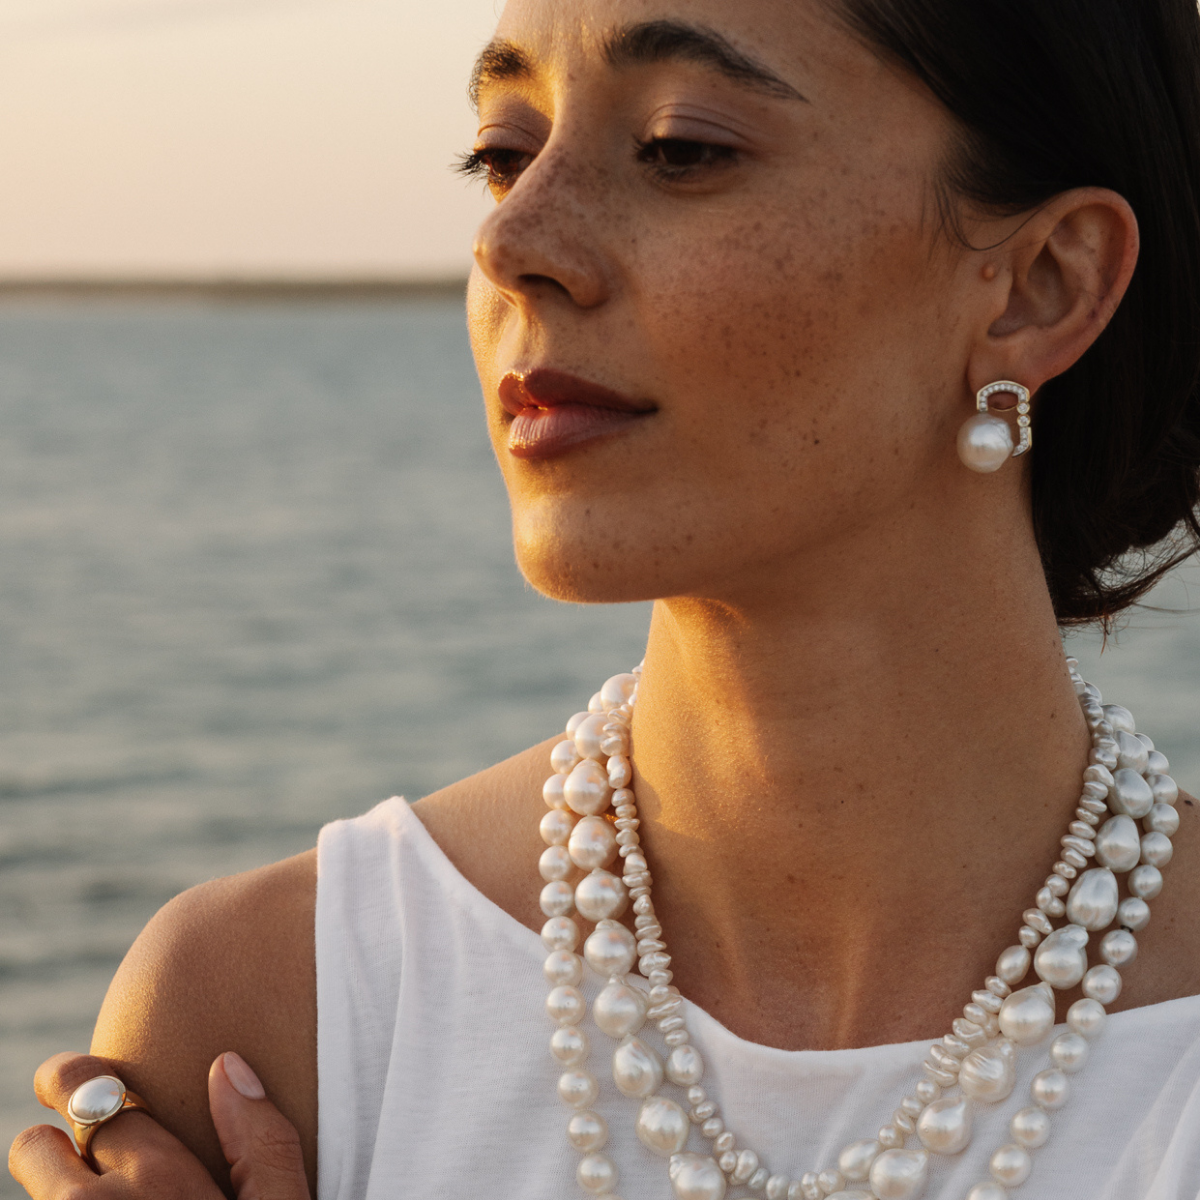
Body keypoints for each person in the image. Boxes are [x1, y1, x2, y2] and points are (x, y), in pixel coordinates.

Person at [11, 0, 1200, 1197]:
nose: (513, 239)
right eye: (501, 153)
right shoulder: (279, 1018)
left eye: (682, 147)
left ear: (1043, 284)